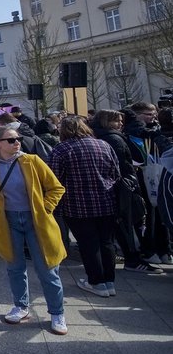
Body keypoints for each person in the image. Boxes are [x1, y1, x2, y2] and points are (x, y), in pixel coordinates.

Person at [0, 125, 68, 334]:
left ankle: (57, 312)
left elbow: (56, 187)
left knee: (47, 268)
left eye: (18, 138)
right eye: (11, 139)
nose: (17, 142)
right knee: (14, 266)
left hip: (36, 220)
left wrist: (45, 207)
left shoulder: (32, 161)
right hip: (6, 220)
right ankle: (21, 306)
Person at [49, 117, 120, 298]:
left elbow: (54, 179)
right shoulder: (103, 145)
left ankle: (96, 281)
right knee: (106, 242)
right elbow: (115, 173)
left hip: (77, 204)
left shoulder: (61, 149)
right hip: (106, 200)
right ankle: (109, 280)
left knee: (89, 243)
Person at [91, 110, 163, 274]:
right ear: (107, 122)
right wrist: (131, 177)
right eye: (117, 121)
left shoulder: (102, 136)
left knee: (121, 224)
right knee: (128, 223)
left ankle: (129, 256)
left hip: (113, 185)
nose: (121, 124)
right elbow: (121, 164)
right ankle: (133, 258)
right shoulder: (113, 139)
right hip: (123, 185)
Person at [124, 102, 172, 265]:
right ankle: (150, 250)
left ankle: (164, 250)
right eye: (148, 114)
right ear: (137, 115)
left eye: (154, 114)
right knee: (148, 216)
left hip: (159, 174)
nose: (152, 117)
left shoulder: (158, 132)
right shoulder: (133, 133)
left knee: (161, 214)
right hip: (141, 177)